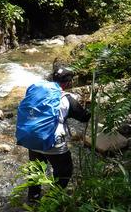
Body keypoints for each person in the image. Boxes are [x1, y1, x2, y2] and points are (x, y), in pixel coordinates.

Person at [27, 65, 90, 202]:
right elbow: (84, 117)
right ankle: (52, 200)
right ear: (68, 83)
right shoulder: (66, 98)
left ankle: (33, 198)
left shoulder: (37, 93)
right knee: (64, 171)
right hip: (54, 142)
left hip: (33, 139)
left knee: (35, 170)